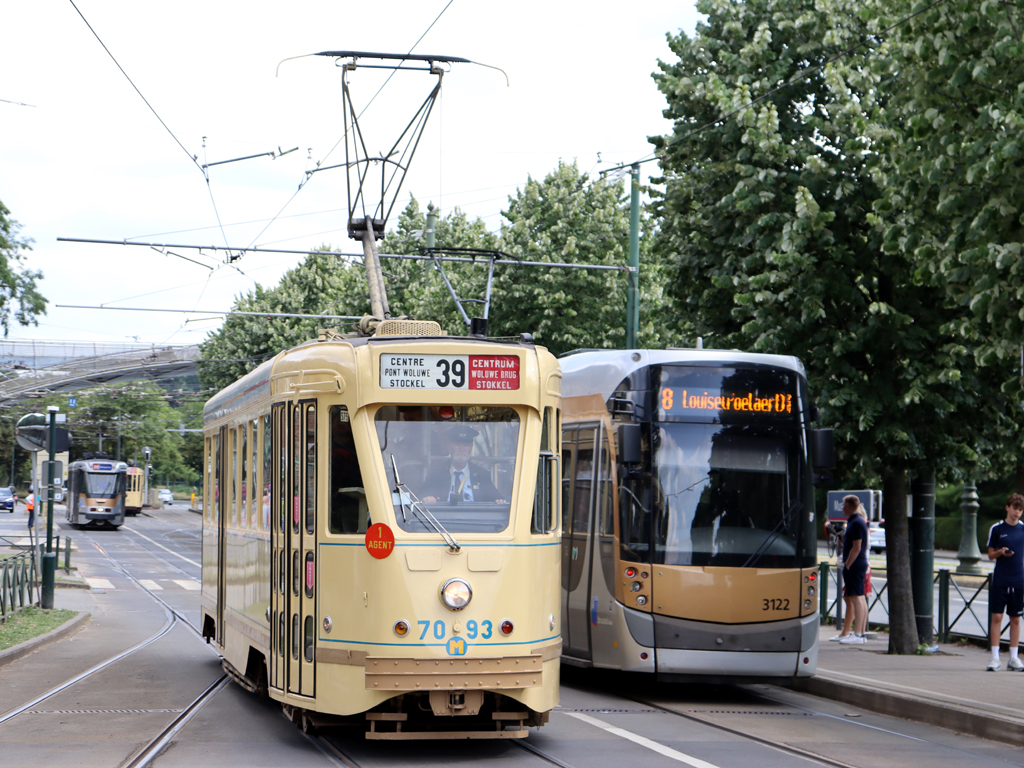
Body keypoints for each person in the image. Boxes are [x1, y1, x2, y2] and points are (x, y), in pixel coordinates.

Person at [986, 493, 1024, 671]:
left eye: (1020, 510)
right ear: (1007, 508)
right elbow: (990, 555)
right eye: (1014, 508)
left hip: (1018, 579)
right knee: (997, 616)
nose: (1017, 513)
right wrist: (1001, 552)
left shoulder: (1023, 529)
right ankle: (995, 658)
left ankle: (1014, 658)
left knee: (1016, 618)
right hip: (1001, 578)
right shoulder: (997, 529)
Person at [421, 425, 506, 504]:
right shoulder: (436, 473)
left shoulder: (482, 474)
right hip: (442, 519)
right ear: (449, 446)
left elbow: (498, 499)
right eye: (457, 445)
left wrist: (499, 500)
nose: (461, 449)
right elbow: (420, 497)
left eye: (465, 445)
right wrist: (426, 498)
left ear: (471, 447)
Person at [831, 495, 869, 644]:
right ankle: (860, 633)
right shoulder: (856, 521)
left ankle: (858, 634)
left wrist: (847, 564)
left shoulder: (856, 523)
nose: (841, 508)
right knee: (859, 597)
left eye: (843, 505)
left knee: (856, 597)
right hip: (858, 563)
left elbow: (857, 547)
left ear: (848, 506)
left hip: (855, 564)